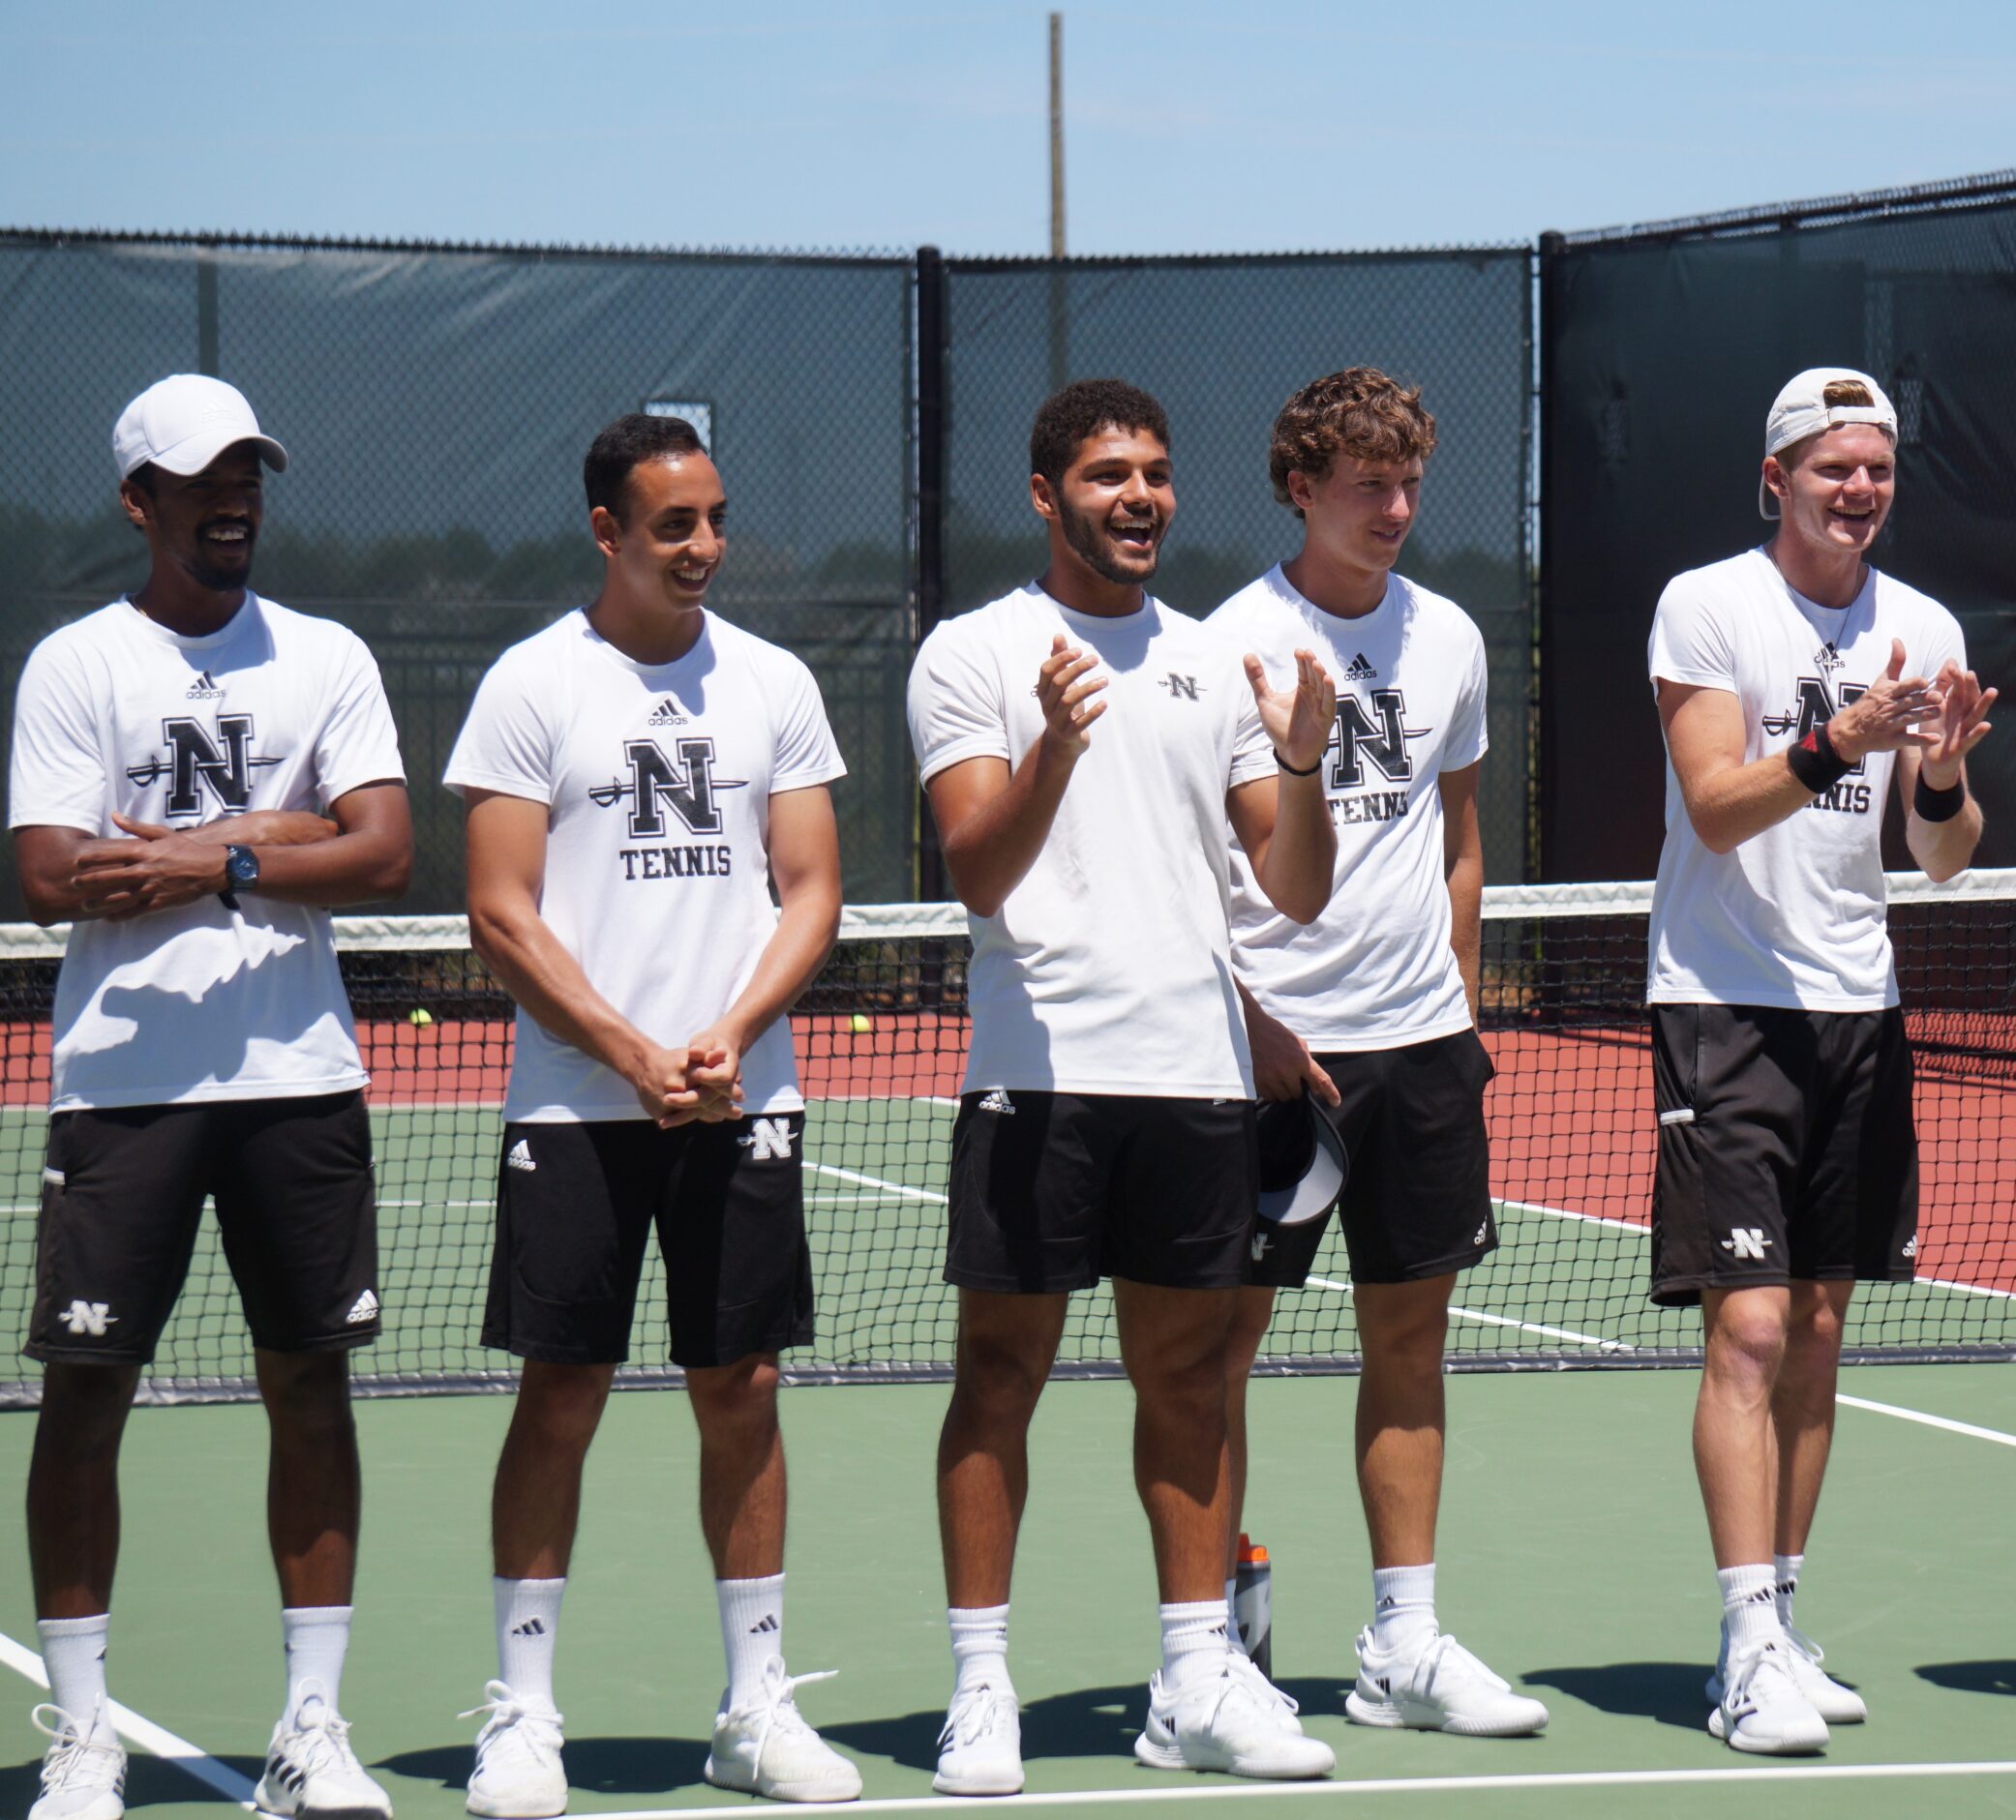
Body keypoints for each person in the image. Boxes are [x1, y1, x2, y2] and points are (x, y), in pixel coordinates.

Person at [907, 378, 1339, 1795]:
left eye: (1154, 471)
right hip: (1040, 1081)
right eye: (1106, 475)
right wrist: (1054, 743)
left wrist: (1304, 759)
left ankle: (1197, 1673)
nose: (1139, 496)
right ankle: (981, 1687)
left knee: (1192, 1384)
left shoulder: (1215, 661)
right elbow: (976, 866)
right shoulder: (974, 656)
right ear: (1047, 496)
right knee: (998, 1380)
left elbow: (1295, 883)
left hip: (1195, 1085)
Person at [8, 374, 413, 1820]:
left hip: (298, 1083)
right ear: (142, 502)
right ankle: (82, 1731)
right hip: (123, 1090)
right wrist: (283, 825)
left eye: (249, 472)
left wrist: (207, 858)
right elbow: (54, 873)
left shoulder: (327, 656)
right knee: (86, 1396)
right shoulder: (77, 666)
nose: (233, 497)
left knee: (312, 1388)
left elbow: (383, 852)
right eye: (202, 479)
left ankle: (313, 1724)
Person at [445, 414, 858, 1814]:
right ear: (608, 531)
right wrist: (627, 1052)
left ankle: (754, 1707)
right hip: (578, 1106)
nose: (703, 548)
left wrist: (727, 1036)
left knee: (741, 1389)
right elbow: (500, 908)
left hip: (741, 1098)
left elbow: (810, 887)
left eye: (716, 519)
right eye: (673, 524)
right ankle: (523, 1712)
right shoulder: (530, 684)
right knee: (560, 1392)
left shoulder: (775, 682)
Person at [1646, 369, 1995, 1755]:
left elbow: (1942, 857)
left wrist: (1949, 776)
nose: (1858, 490)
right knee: (1752, 1326)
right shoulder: (1708, 604)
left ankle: (1785, 1619)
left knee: (1825, 1330)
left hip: (1862, 1009)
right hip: (1723, 1005)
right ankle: (1741, 1648)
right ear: (1776, 474)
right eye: (1832, 467)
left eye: (1877, 469)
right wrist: (1837, 734)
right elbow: (1718, 806)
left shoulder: (1924, 625)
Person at [1208, 368, 1546, 1739]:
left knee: (1410, 1343)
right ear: (1301, 486)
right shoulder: (1229, 642)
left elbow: (1461, 837)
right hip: (1269, 1057)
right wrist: (1252, 1023)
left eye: (1409, 482)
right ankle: (1218, 1639)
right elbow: (1194, 862)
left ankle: (1401, 1640)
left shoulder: (1450, 638)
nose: (1396, 508)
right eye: (1367, 485)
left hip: (1420, 1053)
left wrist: (1458, 1012)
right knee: (1213, 1352)